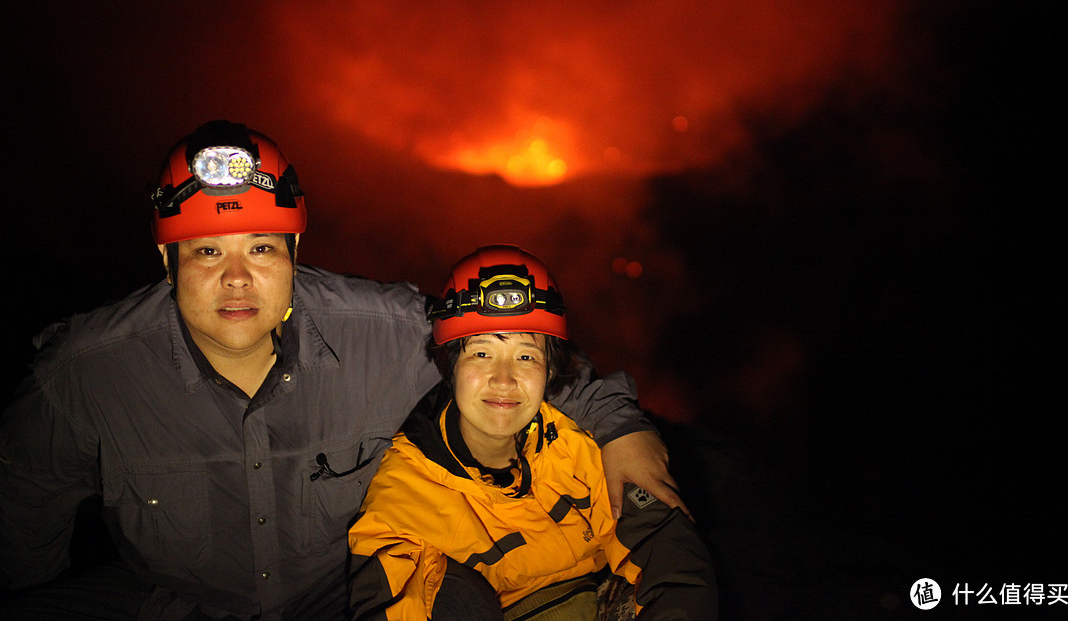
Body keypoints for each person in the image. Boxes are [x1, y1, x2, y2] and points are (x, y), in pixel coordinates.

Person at [0, 121, 684, 621]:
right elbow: (23, 529)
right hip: (178, 600)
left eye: (262, 247)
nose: (237, 280)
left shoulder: (383, 333)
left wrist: (621, 428)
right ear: (166, 259)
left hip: (352, 597)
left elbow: (514, 355)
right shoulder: (85, 377)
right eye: (207, 251)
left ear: (296, 245)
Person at [348, 245, 717, 620]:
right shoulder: (402, 496)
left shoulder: (586, 446)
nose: (504, 379)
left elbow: (668, 557)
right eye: (481, 353)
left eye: (526, 356)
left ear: (551, 371)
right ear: (449, 364)